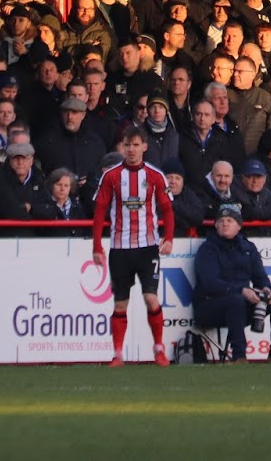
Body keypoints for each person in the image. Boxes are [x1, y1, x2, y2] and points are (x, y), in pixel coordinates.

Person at [90, 127, 174, 367]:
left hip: (147, 247)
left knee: (150, 298)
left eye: (136, 145)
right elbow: (99, 212)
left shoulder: (155, 176)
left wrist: (168, 237)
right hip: (120, 248)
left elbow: (167, 209)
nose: (131, 150)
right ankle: (117, 354)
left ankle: (159, 349)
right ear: (122, 147)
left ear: (144, 147)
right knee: (120, 303)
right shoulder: (112, 176)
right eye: (127, 145)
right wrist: (97, 245)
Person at [192, 204, 271, 362]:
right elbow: (210, 283)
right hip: (209, 306)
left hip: (241, 306)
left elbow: (260, 277)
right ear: (215, 225)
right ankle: (239, 356)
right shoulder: (207, 249)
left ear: (239, 225)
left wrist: (267, 289)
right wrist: (241, 290)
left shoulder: (248, 247)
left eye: (230, 220)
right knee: (236, 300)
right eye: (221, 220)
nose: (225, 223)